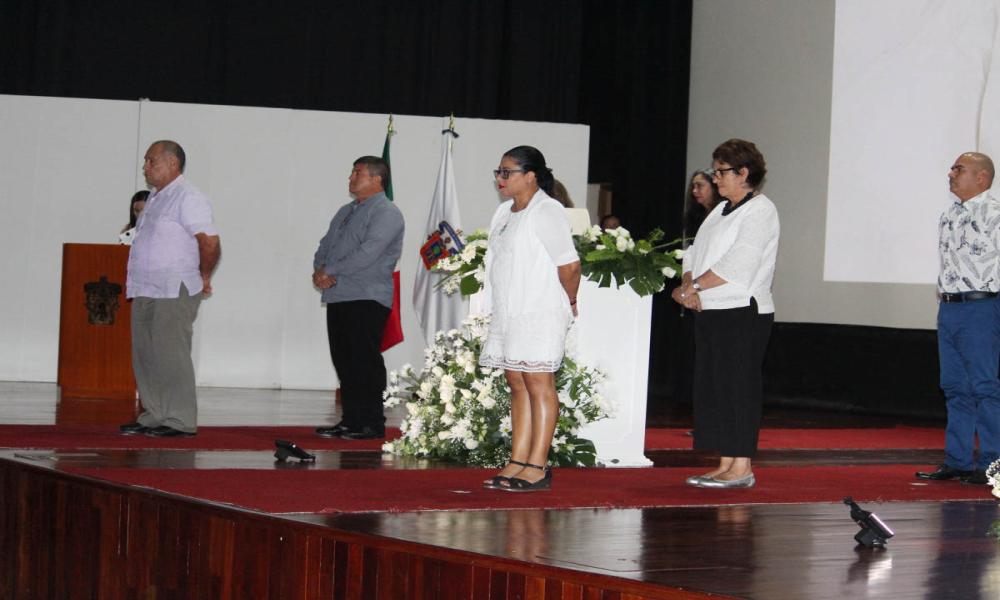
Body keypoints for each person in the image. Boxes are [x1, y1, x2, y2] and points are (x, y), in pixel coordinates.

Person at [671, 139, 779, 488]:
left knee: (738, 387)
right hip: (712, 309)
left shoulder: (760, 210)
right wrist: (687, 283)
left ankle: (742, 466)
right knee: (716, 388)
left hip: (742, 311)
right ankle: (726, 463)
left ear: (743, 173)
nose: (715, 178)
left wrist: (694, 287)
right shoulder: (719, 210)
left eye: (721, 172)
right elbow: (694, 252)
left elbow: (740, 262)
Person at [479, 146, 581, 492]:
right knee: (517, 383)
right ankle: (517, 460)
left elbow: (569, 265)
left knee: (539, 383)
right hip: (509, 312)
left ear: (531, 176)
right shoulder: (503, 212)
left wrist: (570, 300)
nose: (500, 178)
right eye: (498, 171)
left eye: (507, 172)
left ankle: (537, 465)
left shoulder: (547, 210)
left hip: (539, 311)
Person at [119, 140, 221, 438]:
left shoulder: (188, 197)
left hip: (174, 287)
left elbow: (210, 241)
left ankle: (179, 419)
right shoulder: (155, 197)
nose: (145, 167)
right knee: (145, 354)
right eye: (145, 161)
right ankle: (154, 413)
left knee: (170, 354)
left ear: (173, 163)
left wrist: (204, 275)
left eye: (152, 161)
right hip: (145, 287)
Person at [916, 152, 1000, 486]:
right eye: (952, 168)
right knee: (954, 387)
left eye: (959, 169)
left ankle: (993, 463)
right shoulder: (949, 214)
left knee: (984, 386)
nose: (951, 174)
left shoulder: (995, 213)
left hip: (981, 306)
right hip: (949, 306)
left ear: (982, 177)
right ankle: (958, 461)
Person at [313, 156, 404, 440]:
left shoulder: (387, 212)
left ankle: (371, 423)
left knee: (364, 360)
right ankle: (350, 420)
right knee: (344, 360)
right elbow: (325, 245)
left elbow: (369, 253)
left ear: (377, 179)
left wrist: (330, 271)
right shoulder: (346, 211)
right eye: (352, 172)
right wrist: (319, 270)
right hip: (339, 295)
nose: (351, 178)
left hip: (367, 297)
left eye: (358, 173)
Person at [683, 169, 722, 241]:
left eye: (699, 185)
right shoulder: (694, 215)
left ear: (714, 187)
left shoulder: (724, 213)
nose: (694, 191)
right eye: (693, 186)